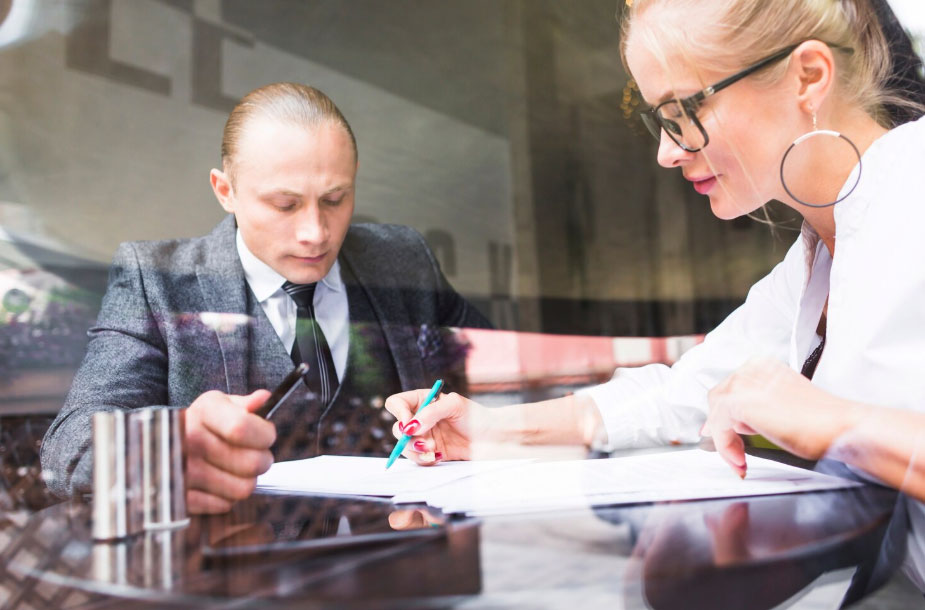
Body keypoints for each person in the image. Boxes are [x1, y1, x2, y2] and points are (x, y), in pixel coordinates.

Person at [385, 0, 925, 498]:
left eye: (684, 110)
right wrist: (490, 429)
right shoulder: (816, 259)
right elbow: (680, 395)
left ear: (808, 76)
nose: (667, 151)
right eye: (659, 120)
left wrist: (833, 423)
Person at [41, 82, 490, 513]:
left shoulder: (402, 259)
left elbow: (497, 376)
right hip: (231, 575)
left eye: (335, 199)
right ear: (225, 191)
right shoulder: (155, 279)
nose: (316, 233)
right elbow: (69, 444)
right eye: (284, 205)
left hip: (405, 566)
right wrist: (168, 442)